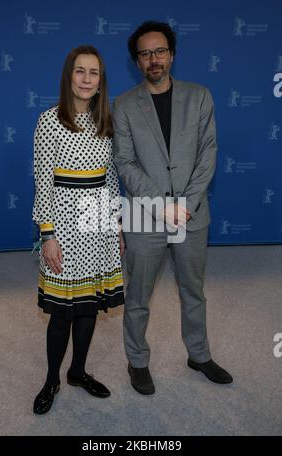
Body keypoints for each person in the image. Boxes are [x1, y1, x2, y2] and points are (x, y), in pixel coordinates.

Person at [113, 21, 233, 395]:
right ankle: (137, 361)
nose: (154, 59)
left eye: (160, 51)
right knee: (138, 296)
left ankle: (198, 354)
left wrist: (185, 204)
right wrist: (162, 206)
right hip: (144, 215)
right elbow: (125, 163)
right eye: (145, 53)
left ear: (172, 54)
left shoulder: (200, 97)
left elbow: (207, 154)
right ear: (136, 61)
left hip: (191, 213)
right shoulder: (123, 105)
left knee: (192, 290)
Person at [32, 45, 124, 414]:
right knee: (61, 312)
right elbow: (43, 182)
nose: (87, 79)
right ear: (69, 76)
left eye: (94, 73)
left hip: (99, 222)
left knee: (88, 308)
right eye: (80, 71)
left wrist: (117, 223)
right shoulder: (49, 120)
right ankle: (52, 378)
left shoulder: (106, 121)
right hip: (64, 225)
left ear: (101, 82)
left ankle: (78, 372)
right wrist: (47, 234)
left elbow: (112, 177)